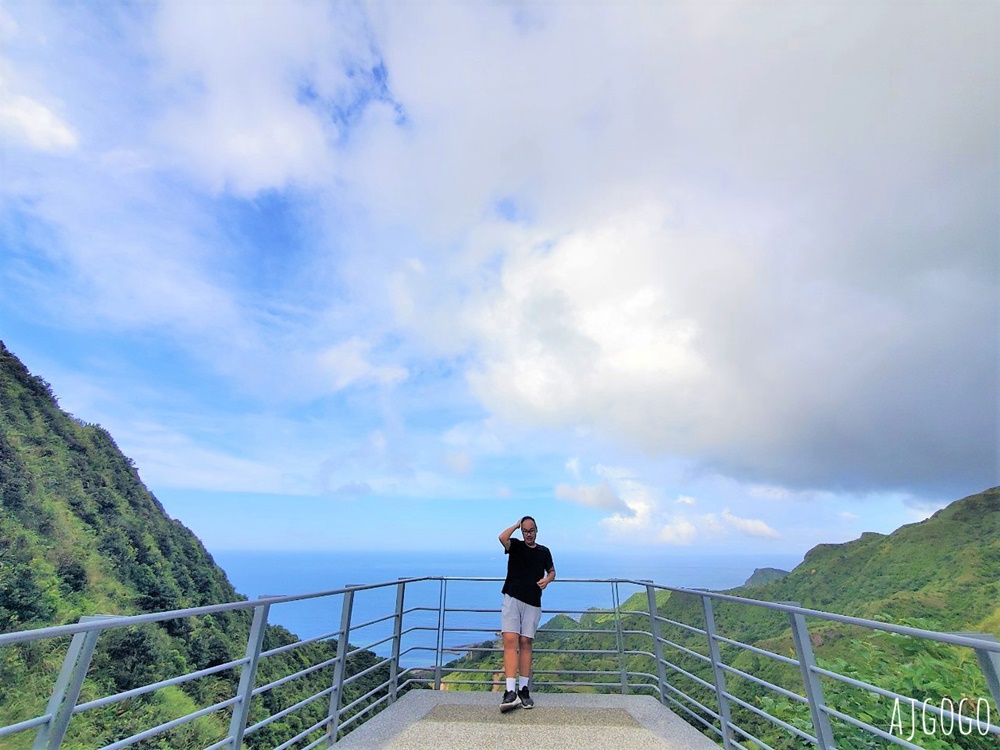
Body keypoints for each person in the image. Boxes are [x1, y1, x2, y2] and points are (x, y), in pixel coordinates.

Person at [498, 515, 555, 712]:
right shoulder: (515, 546)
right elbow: (501, 537)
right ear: (522, 532)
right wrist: (516, 524)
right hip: (512, 597)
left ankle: (523, 690)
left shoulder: (544, 551)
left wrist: (547, 580)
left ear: (537, 530)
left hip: (532, 601)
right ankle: (510, 691)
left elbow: (552, 571)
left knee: (526, 642)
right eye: (525, 531)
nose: (528, 534)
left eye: (531, 530)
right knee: (510, 640)